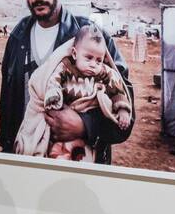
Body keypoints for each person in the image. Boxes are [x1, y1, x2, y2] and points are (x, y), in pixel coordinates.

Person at [0, 0, 135, 163]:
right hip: (25, 162)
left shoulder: (92, 39)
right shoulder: (17, 38)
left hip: (77, 168)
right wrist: (7, 153)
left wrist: (85, 125)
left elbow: (126, 116)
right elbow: (8, 110)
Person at [13, 24, 133, 162]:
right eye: (88, 58)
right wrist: (54, 95)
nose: (94, 64)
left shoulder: (104, 73)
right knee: (55, 156)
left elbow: (118, 89)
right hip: (58, 127)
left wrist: (123, 110)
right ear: (75, 54)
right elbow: (53, 81)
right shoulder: (66, 67)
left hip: (85, 136)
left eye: (99, 60)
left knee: (84, 159)